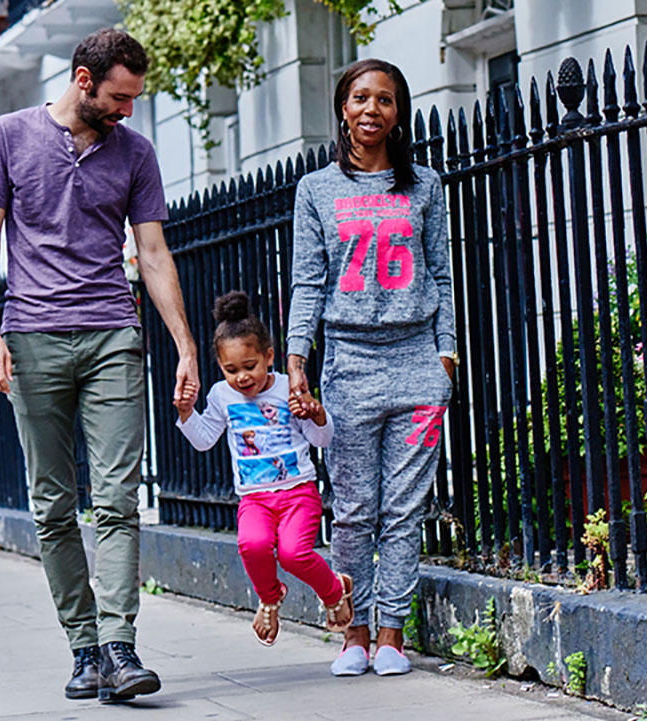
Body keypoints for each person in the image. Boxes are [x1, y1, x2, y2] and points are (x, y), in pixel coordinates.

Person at [0, 28, 199, 703]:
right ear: (82, 79)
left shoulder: (136, 153)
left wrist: (184, 345)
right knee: (52, 505)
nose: (129, 110)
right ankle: (84, 647)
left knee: (120, 499)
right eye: (120, 97)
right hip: (33, 337)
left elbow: (152, 254)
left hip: (111, 338)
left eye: (135, 99)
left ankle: (121, 646)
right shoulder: (9, 136)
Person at [286, 58, 455, 677]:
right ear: (342, 107)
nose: (371, 110)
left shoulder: (426, 187)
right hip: (350, 366)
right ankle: (352, 632)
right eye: (360, 97)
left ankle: (391, 635)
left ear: (397, 113)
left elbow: (441, 274)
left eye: (384, 100)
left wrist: (447, 355)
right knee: (354, 507)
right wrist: (298, 357)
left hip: (417, 367)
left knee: (405, 509)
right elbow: (308, 282)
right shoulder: (316, 190)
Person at [173, 291, 353, 646]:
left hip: (298, 491)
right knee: (251, 544)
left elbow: (321, 439)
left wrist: (318, 414)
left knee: (293, 553)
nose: (242, 377)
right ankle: (270, 598)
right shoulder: (222, 396)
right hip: (254, 498)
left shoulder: (289, 388)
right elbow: (205, 439)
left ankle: (334, 591)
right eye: (231, 370)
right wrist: (186, 413)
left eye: (250, 365)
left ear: (269, 356)